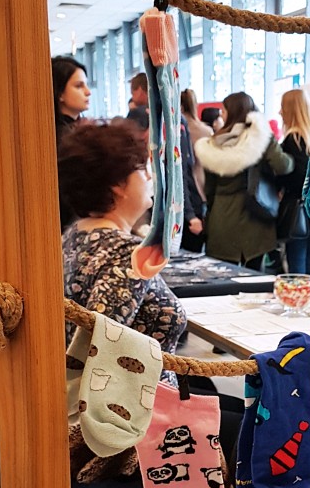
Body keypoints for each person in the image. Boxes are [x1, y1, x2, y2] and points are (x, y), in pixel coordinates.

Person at [58, 120, 187, 368]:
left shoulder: (74, 234)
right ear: (118, 185)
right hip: (136, 391)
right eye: (141, 168)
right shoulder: (124, 252)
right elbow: (98, 347)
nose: (149, 177)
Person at [194, 91, 293, 269]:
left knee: (223, 277)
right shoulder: (260, 138)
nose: (221, 115)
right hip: (256, 216)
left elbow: (210, 190)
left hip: (222, 219)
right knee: (253, 278)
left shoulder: (213, 144)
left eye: (224, 111)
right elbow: (283, 166)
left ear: (232, 112)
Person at [127, 71, 204, 248]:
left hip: (172, 211)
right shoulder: (148, 118)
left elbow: (179, 171)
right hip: (154, 214)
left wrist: (188, 213)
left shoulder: (171, 122)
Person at [278, 88, 310, 277]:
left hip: (296, 209)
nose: (280, 112)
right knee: (308, 265)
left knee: (297, 267)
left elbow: (296, 176)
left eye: (282, 107)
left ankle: (298, 297)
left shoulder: (292, 139)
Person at [51, 55, 91, 145]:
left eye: (86, 85)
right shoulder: (59, 137)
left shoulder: (82, 128)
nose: (88, 92)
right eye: (79, 86)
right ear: (60, 93)